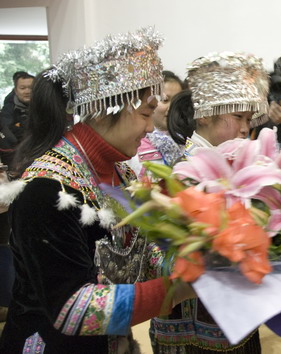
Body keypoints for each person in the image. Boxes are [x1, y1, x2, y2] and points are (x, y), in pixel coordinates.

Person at [0, 27, 195, 353]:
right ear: (107, 110)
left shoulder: (120, 172)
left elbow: (141, 256)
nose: (150, 128)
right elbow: (73, 308)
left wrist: (199, 259)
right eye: (145, 113)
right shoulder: (47, 191)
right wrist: (179, 289)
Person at [152, 51, 268, 353]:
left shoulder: (232, 162)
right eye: (238, 117)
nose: (245, 128)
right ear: (204, 115)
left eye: (249, 119)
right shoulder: (182, 172)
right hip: (193, 323)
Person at [128, 70, 187, 176]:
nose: (172, 107)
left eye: (178, 101)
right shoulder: (134, 145)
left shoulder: (190, 142)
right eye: (165, 100)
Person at [0, 71, 34, 172]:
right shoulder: (8, 110)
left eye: (31, 88)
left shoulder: (45, 108)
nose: (27, 91)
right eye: (22, 88)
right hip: (15, 162)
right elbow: (8, 134)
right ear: (15, 90)